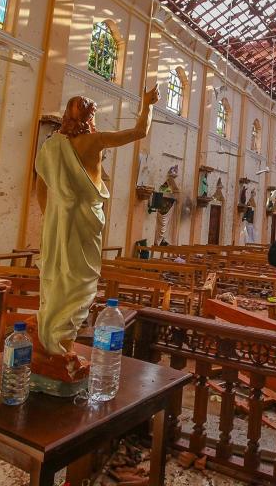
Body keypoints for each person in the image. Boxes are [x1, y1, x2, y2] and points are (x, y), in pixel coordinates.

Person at [35, 85, 160, 357]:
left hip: (60, 222)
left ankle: (52, 344)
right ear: (90, 117)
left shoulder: (51, 146)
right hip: (86, 219)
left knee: (58, 277)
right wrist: (148, 105)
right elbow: (140, 132)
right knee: (81, 280)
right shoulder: (96, 140)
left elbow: (40, 188)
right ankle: (61, 348)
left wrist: (53, 219)